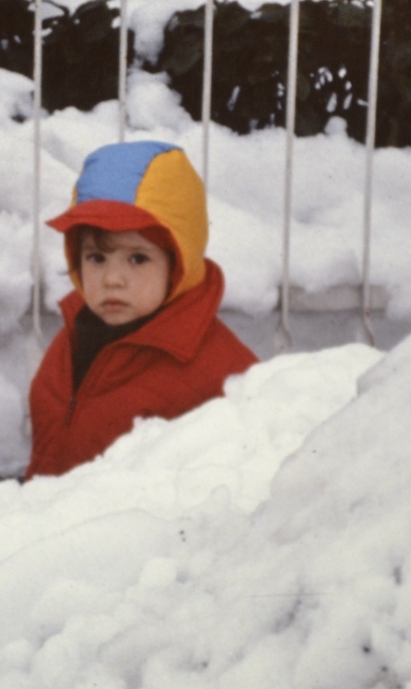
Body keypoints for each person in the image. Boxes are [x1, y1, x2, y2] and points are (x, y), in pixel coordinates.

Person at [26, 140, 258, 478]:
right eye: (96, 257)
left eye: (137, 258)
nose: (113, 279)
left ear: (177, 262)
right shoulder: (75, 337)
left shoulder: (219, 372)